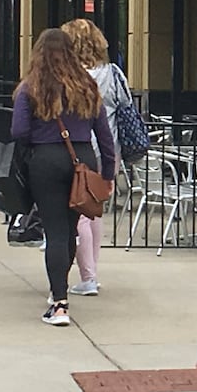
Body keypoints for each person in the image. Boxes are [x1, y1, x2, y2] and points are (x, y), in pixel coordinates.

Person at [10, 29, 118, 327]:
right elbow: (104, 135)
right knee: (69, 230)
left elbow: (18, 131)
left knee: (54, 230)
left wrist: (39, 137)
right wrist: (107, 173)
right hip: (82, 158)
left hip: (45, 159)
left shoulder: (30, 87)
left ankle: (59, 302)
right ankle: (60, 288)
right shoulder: (86, 86)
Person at [59, 18, 134, 298]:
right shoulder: (113, 74)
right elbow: (126, 106)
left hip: (76, 149)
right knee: (94, 209)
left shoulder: (69, 77)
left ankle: (87, 276)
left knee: (78, 212)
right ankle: (92, 272)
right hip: (108, 150)